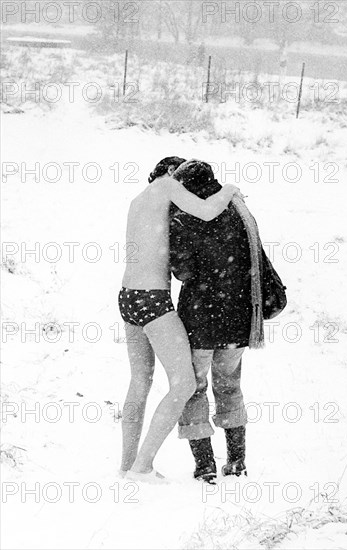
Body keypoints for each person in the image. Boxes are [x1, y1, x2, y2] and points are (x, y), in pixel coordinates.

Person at [118, 157, 241, 482]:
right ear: (172, 173)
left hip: (128, 297)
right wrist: (229, 189)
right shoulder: (168, 186)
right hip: (153, 300)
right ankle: (142, 467)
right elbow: (207, 209)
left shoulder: (138, 200)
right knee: (185, 383)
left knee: (139, 383)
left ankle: (126, 465)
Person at [170, 160, 260, 484]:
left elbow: (183, 272)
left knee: (193, 389)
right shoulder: (239, 212)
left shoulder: (184, 218)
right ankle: (237, 461)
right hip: (237, 319)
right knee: (230, 385)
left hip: (199, 322)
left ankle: (205, 465)